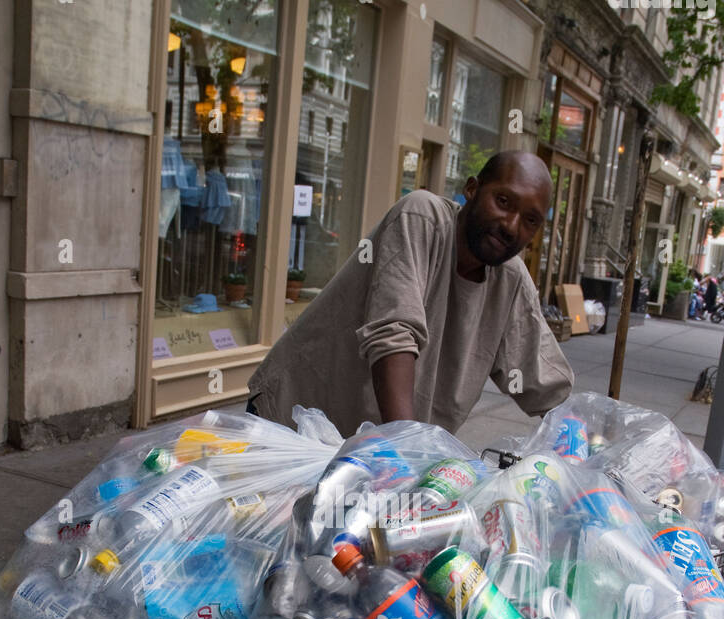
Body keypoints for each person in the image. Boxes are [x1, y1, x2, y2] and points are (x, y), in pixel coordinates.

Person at [246, 151, 574, 438]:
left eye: (530, 220)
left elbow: (544, 381)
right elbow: (394, 333)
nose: (511, 226)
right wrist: (408, 446)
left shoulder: (511, 279)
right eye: (503, 202)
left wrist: (586, 448)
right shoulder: (422, 217)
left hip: (373, 456)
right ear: (472, 190)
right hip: (294, 424)